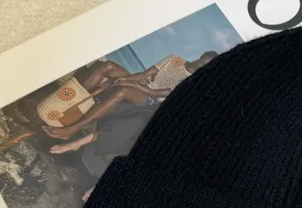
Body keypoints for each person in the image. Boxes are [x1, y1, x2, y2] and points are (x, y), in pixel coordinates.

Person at [44, 51, 217, 143]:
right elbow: (144, 74)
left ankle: (71, 129)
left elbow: (161, 93)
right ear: (203, 56)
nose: (206, 66)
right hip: (141, 84)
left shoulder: (192, 81)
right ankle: (67, 104)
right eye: (208, 62)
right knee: (107, 66)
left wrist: (131, 84)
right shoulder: (175, 59)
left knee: (123, 91)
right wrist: (127, 79)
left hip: (150, 100)